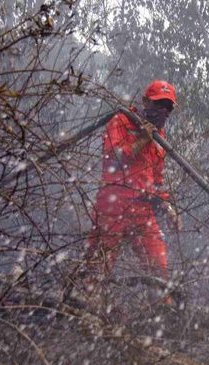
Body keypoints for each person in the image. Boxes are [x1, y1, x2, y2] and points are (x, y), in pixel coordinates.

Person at [84, 80, 181, 297]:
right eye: (159, 105)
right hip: (112, 206)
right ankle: (85, 309)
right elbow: (112, 159)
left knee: (158, 270)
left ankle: (162, 311)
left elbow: (156, 181)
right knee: (98, 267)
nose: (163, 112)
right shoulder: (121, 120)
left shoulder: (160, 137)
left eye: (168, 108)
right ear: (145, 102)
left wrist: (167, 207)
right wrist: (142, 140)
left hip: (142, 210)